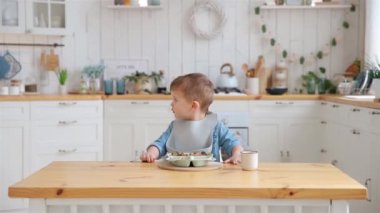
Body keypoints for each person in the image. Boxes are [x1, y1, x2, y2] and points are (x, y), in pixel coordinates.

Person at [140, 73, 242, 164]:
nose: (171, 103)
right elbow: (159, 144)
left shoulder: (216, 126)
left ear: (193, 106)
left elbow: (233, 143)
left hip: (209, 179)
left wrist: (236, 155)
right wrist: (151, 154)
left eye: (175, 99)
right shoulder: (174, 127)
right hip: (176, 178)